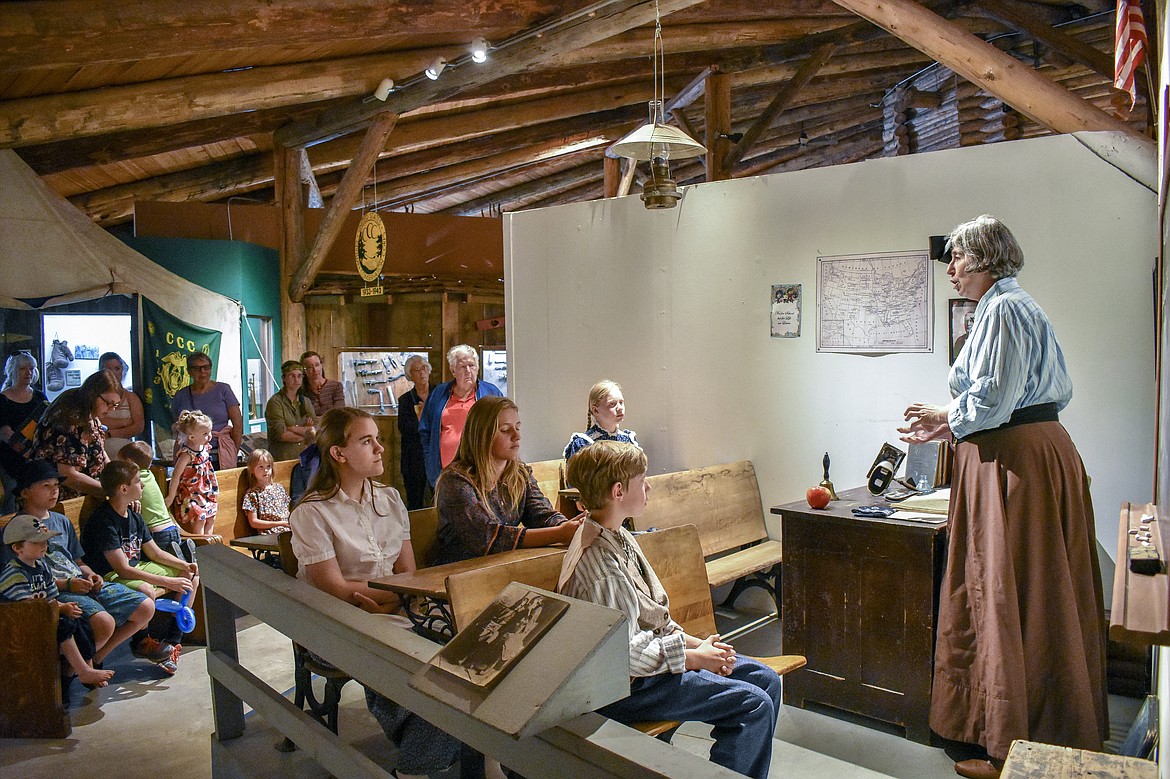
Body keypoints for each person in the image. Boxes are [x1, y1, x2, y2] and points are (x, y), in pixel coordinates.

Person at [899, 215, 1106, 779]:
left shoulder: (1007, 309)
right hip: (1014, 456)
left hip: (1015, 464)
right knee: (1015, 589)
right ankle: (1010, 731)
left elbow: (994, 396)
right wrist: (946, 426)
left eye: (958, 257)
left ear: (986, 258)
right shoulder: (1001, 308)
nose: (951, 268)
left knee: (1010, 590)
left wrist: (948, 415)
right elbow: (1000, 400)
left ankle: (1016, 742)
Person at [558, 441, 781, 779]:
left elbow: (654, 617)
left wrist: (699, 646)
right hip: (622, 689)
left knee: (766, 681)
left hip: (648, 671)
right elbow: (625, 654)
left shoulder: (617, 535)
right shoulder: (601, 567)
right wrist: (692, 658)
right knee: (753, 705)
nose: (648, 486)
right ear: (618, 491)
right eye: (642, 479)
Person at [290, 407, 459, 779]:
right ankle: (423, 761)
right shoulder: (312, 513)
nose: (380, 448)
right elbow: (334, 590)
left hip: (391, 607)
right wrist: (394, 597)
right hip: (334, 622)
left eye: (378, 439)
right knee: (410, 658)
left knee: (460, 651)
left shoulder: (389, 498)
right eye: (367, 441)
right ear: (338, 453)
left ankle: (431, 752)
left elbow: (408, 574)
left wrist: (394, 599)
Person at [5, 458, 155, 668]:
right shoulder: (17, 530)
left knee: (145, 606)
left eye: (56, 485)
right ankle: (73, 670)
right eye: (46, 486)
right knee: (103, 622)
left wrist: (90, 574)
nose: (54, 491)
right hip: (56, 591)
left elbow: (77, 560)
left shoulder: (61, 521)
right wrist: (67, 585)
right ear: (25, 492)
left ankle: (94, 658)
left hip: (79, 582)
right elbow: (23, 579)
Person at [82, 460, 198, 676]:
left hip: (136, 566)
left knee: (190, 576)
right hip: (110, 574)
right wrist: (168, 581)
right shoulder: (104, 521)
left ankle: (173, 640)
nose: (142, 486)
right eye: (138, 482)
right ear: (123, 489)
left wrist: (185, 565)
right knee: (145, 589)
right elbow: (122, 568)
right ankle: (136, 644)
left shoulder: (134, 515)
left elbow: (154, 552)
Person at [433, 396, 579, 566]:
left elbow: (541, 515)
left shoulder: (519, 473)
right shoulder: (456, 481)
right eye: (505, 429)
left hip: (500, 567)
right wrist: (560, 533)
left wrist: (571, 526)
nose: (516, 436)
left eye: (518, 427)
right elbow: (488, 537)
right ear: (482, 435)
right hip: (457, 573)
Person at [1, 514, 115, 688]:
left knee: (80, 621)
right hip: (17, 625)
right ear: (18, 548)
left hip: (41, 616)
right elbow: (27, 607)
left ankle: (82, 669)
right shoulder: (15, 573)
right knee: (64, 625)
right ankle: (83, 672)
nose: (44, 545)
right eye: (37, 542)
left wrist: (63, 608)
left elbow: (51, 595)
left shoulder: (42, 566)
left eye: (45, 541)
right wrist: (61, 609)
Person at [29, 368, 122, 500]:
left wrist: (120, 481)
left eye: (115, 405)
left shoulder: (89, 411)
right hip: (57, 499)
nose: (110, 410)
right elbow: (68, 476)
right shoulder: (71, 418)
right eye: (108, 403)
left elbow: (99, 452)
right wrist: (111, 492)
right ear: (93, 394)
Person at [419, 344, 503, 488]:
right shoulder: (439, 393)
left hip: (482, 472)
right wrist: (430, 458)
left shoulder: (491, 393)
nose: (468, 371)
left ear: (478, 367)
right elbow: (425, 430)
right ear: (453, 370)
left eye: (472, 365)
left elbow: (504, 427)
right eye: (463, 367)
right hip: (445, 473)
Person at [117, 441, 196, 554]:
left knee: (153, 557)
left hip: (156, 533)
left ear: (129, 462)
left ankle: (179, 556)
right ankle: (183, 554)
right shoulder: (150, 475)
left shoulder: (132, 481)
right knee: (172, 558)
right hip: (171, 528)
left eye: (120, 463)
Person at [170, 352, 243, 469]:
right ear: (189, 371)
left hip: (220, 454)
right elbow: (178, 426)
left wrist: (233, 450)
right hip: (189, 455)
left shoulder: (223, 390)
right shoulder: (181, 395)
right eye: (197, 368)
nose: (202, 372)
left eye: (206, 367)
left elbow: (238, 424)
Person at [0, 351, 48, 513]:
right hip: (11, 458)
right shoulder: (3, 399)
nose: (28, 372)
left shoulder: (39, 396)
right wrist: (25, 450)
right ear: (13, 370)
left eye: (31, 368)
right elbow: (5, 432)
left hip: (37, 453)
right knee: (13, 492)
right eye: (23, 369)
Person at [165, 410, 219, 537]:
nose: (210, 436)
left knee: (211, 516)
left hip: (205, 491)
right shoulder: (186, 455)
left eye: (210, 432)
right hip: (191, 494)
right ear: (192, 437)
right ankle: (200, 544)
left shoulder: (205, 448)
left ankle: (210, 545)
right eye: (205, 433)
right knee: (200, 518)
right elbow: (176, 476)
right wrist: (171, 497)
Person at [563, 379, 640, 462]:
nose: (620, 408)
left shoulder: (628, 440)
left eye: (621, 402)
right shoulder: (584, 444)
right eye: (612, 404)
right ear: (595, 410)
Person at [396, 354, 432, 510]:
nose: (422, 372)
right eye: (416, 370)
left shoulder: (440, 393)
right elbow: (404, 428)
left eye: (424, 368)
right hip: (414, 457)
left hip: (437, 455)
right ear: (410, 376)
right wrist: (421, 419)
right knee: (414, 501)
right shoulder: (405, 400)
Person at [265, 360, 317, 462]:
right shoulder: (275, 402)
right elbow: (282, 435)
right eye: (292, 376)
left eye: (299, 376)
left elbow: (315, 431)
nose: (296, 379)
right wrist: (305, 432)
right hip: (283, 457)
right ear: (284, 378)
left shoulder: (305, 401)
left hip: (304, 457)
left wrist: (292, 428)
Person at [97, 352, 145, 461]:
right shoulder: (94, 397)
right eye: (108, 369)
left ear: (122, 370)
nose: (113, 373)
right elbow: (97, 421)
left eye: (117, 368)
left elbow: (138, 427)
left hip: (125, 456)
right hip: (99, 455)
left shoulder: (131, 397)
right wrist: (125, 422)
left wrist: (109, 433)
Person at [240, 449, 291, 534]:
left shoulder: (279, 488)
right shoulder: (252, 494)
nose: (265, 470)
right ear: (252, 469)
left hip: (287, 530)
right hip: (270, 533)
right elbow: (253, 522)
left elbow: (286, 511)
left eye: (268, 466)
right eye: (261, 467)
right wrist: (279, 524)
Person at [299, 350, 345, 416]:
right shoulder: (302, 391)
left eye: (317, 365)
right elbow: (302, 417)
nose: (315, 370)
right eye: (310, 367)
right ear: (304, 370)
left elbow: (339, 412)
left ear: (321, 365)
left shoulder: (336, 386)